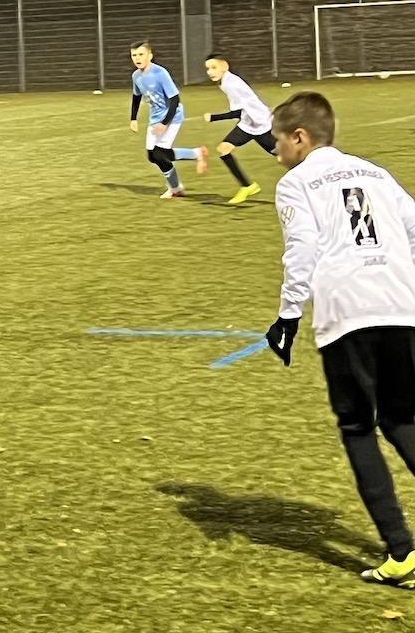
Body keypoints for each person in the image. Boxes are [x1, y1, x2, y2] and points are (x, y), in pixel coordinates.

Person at [264, 91, 415, 587]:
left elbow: (302, 247)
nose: (275, 148)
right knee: (403, 420)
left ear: (300, 137)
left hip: (347, 314)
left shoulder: (295, 183)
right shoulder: (376, 173)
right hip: (402, 307)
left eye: (278, 139)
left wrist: (288, 315)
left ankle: (403, 553)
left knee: (357, 427)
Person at [129, 41, 207, 198]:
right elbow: (136, 96)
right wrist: (133, 118)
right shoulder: (136, 76)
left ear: (150, 56)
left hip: (172, 116)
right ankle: (196, 153)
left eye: (141, 54)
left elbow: (175, 99)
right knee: (153, 156)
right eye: (134, 55)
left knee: (159, 154)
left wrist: (165, 123)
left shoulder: (160, 73)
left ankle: (176, 189)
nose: (137, 58)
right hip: (155, 118)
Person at [201, 53, 276, 205]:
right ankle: (247, 186)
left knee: (282, 155)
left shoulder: (231, 84)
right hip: (248, 123)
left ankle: (313, 172)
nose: (210, 72)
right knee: (224, 149)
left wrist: (213, 117)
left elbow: (237, 112)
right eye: (208, 69)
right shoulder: (226, 81)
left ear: (225, 66)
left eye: (214, 67)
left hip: (261, 124)